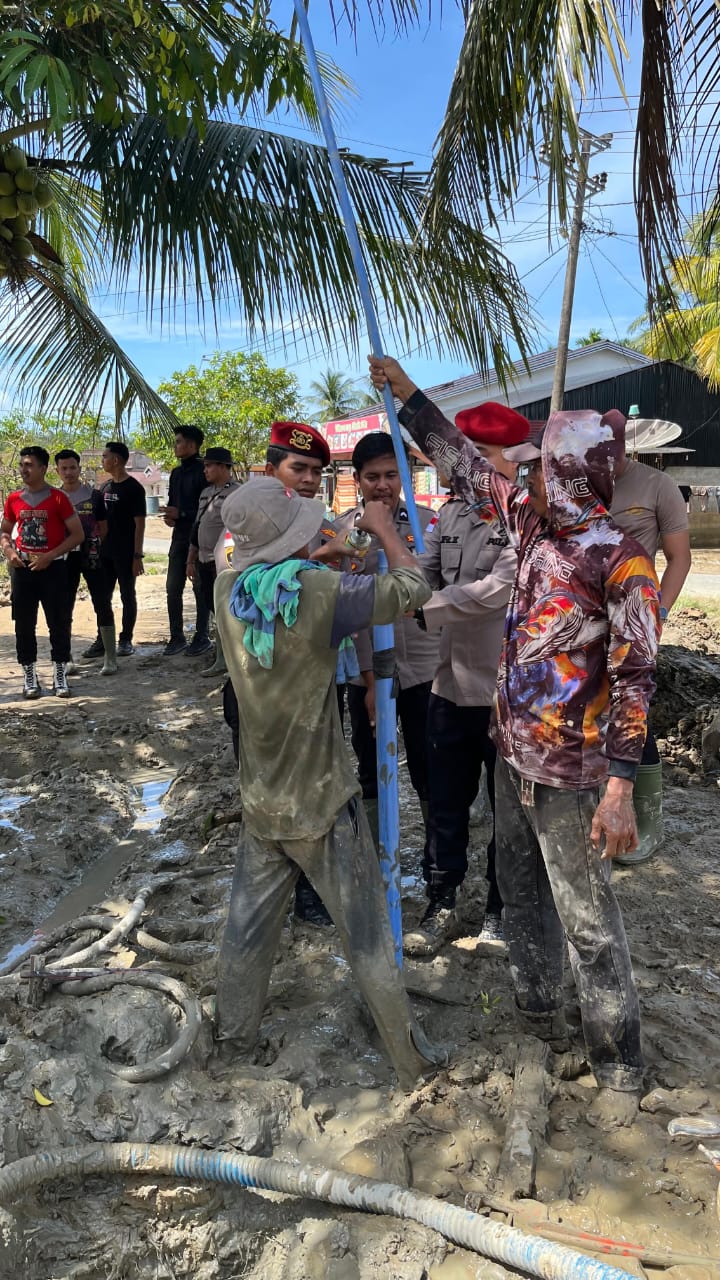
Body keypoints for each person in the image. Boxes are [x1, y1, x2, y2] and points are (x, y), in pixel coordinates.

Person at [369, 355, 660, 1129]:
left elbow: (636, 678)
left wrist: (621, 787)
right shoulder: (531, 524)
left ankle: (618, 1061)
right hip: (514, 756)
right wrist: (408, 395)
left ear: (574, 474)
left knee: (587, 918)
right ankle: (537, 1014)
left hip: (575, 775)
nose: (525, 478)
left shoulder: (620, 560)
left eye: (540, 468)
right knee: (521, 890)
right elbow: (462, 466)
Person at [213, 476, 444, 1090]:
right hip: (319, 800)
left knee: (246, 929)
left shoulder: (227, 588)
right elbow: (411, 589)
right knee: (366, 933)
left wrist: (325, 554)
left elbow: (283, 582)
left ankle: (232, 1042)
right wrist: (386, 530)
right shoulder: (317, 592)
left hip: (262, 796)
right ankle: (410, 1061)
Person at [404, 402, 529, 957]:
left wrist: (423, 607)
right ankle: (442, 899)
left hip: (505, 693)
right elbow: (425, 572)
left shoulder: (525, 521)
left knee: (508, 812)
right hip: (449, 686)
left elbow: (495, 593)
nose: (467, 466)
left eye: (481, 455)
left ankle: (501, 909)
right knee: (445, 802)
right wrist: (397, 574)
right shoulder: (450, 515)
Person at [221, 419, 335, 927]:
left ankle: (309, 894)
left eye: (315, 471)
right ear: (269, 472)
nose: (308, 480)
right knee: (269, 788)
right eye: (298, 468)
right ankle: (276, 894)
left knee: (312, 787)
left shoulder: (324, 528)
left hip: (316, 684)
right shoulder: (244, 532)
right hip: (260, 685)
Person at [321, 433, 440, 843]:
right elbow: (342, 609)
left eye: (392, 475)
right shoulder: (340, 531)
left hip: (424, 669)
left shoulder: (428, 525)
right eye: (372, 477)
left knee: (430, 767)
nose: (383, 485)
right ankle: (374, 855)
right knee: (369, 766)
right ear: (357, 479)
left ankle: (435, 858)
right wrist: (371, 680)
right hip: (365, 674)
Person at [609, 441, 692, 866]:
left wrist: (659, 612)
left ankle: (647, 821)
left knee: (633, 712)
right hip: (584, 620)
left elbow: (680, 558)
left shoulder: (657, 486)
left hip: (633, 621)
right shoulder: (579, 483)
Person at [1, 445, 84, 699]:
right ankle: (30, 675)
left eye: (29, 465)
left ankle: (60, 673)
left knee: (58, 622)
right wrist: (9, 551)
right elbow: (4, 531)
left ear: (43, 468)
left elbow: (77, 535)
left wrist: (50, 556)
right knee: (24, 623)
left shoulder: (59, 498)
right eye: (22, 464)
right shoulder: (14, 499)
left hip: (54, 568)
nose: (23, 469)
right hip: (22, 569)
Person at [55, 449, 117, 677]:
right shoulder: (54, 497)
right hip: (64, 559)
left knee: (102, 603)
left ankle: (110, 657)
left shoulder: (95, 495)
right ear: (57, 471)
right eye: (64, 468)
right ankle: (66, 658)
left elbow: (104, 527)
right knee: (63, 607)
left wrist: (93, 545)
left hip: (93, 557)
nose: (69, 472)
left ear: (79, 469)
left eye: (72, 467)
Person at [86, 442, 146, 657]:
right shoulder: (104, 488)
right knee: (103, 598)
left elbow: (140, 524)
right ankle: (103, 639)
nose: (102, 460)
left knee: (127, 595)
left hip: (126, 553)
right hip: (105, 553)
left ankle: (126, 640)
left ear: (116, 460)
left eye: (104, 456)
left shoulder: (134, 489)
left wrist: (137, 556)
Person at [186, 447, 240, 678]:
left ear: (224, 467)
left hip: (225, 564)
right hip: (203, 560)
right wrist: (190, 559)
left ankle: (229, 660)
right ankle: (222, 657)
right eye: (205, 466)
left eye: (209, 465)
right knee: (214, 609)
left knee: (228, 611)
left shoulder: (238, 493)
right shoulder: (206, 493)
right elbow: (197, 526)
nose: (205, 470)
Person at [163, 425, 211, 658]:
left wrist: (180, 514)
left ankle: (202, 636)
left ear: (192, 445)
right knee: (173, 587)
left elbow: (208, 511)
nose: (175, 446)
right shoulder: (176, 473)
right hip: (179, 538)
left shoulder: (204, 471)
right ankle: (177, 637)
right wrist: (171, 517)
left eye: (179, 441)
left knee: (200, 588)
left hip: (200, 539)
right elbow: (174, 503)